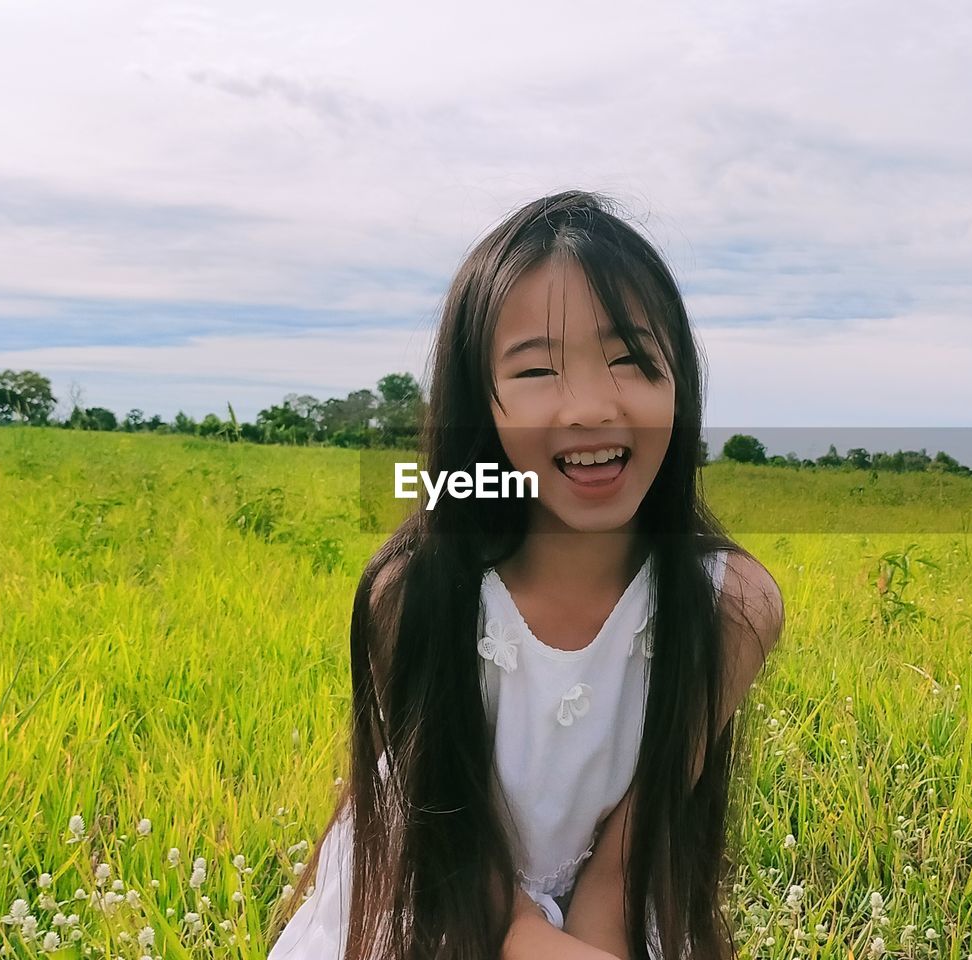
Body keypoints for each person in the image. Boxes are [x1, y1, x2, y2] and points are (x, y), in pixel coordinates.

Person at [267, 190, 784, 960]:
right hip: (439, 897)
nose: (589, 407)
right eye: (538, 369)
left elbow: (625, 859)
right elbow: (449, 844)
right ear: (484, 403)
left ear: (679, 380)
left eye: (630, 359)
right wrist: (528, 939)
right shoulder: (413, 600)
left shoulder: (729, 608)